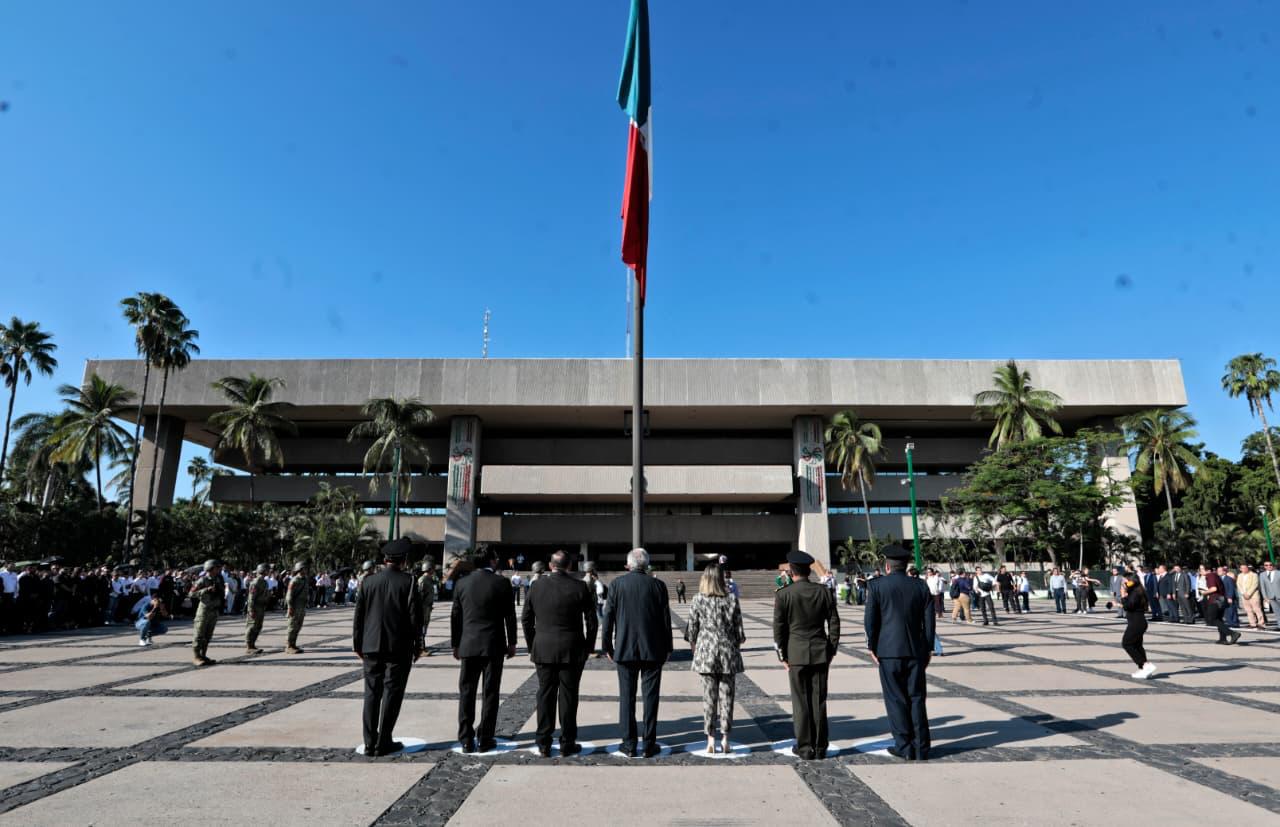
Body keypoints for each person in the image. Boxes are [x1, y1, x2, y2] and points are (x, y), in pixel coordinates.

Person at [522, 549, 596, 757]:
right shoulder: (580, 586)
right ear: (570, 566)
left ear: (550, 565)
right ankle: (567, 742)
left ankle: (543, 742)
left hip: (544, 646)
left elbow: (526, 619)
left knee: (545, 693)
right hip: (572, 647)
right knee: (569, 695)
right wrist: (589, 646)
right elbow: (592, 620)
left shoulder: (536, 586)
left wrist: (532, 644)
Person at [354, 537, 424, 757]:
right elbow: (416, 618)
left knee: (371, 694)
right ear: (403, 560)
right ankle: (384, 740)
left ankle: (369, 742)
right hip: (398, 647)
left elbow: (359, 616)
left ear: (385, 559)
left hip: (371, 646)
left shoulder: (368, 581)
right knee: (392, 693)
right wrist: (417, 645)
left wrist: (358, 644)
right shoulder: (409, 581)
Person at [602, 547, 673, 758]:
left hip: (624, 649)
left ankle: (629, 744)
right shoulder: (658, 585)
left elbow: (608, 619)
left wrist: (607, 646)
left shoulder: (616, 584)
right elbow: (665, 621)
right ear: (647, 565)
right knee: (651, 698)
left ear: (628, 565)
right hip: (652, 649)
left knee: (627, 697)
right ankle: (649, 744)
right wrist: (668, 647)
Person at [864, 545, 933, 760]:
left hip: (888, 650)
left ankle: (904, 746)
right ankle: (921, 747)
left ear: (887, 566)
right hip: (915, 650)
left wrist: (872, 647)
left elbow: (871, 622)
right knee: (917, 698)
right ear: (906, 566)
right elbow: (929, 622)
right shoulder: (920, 586)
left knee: (895, 699)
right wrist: (929, 647)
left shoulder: (876, 586)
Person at [773, 550, 840, 760]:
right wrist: (831, 648)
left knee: (800, 702)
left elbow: (779, 629)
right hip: (820, 651)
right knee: (818, 700)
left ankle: (804, 747)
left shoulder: (784, 594)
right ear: (808, 570)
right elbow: (834, 622)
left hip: (796, 653)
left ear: (792, 571)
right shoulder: (823, 591)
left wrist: (782, 655)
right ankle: (820, 747)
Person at [451, 548, 518, 753]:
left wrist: (456, 644)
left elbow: (456, 616)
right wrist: (512, 642)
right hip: (493, 644)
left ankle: (466, 738)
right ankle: (485, 738)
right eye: (496, 558)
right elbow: (510, 615)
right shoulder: (501, 583)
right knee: (490, 692)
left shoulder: (462, 583)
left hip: (469, 644)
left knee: (467, 692)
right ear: (491, 560)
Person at [685, 563, 745, 755]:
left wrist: (696, 647)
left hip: (706, 653)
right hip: (727, 653)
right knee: (727, 698)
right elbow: (740, 634)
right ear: (721, 579)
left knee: (708, 698)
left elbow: (691, 631)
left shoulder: (697, 600)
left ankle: (710, 739)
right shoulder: (732, 599)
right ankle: (725, 739)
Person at [1119, 570, 1157, 679]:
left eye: (1125, 581)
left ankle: (1146, 665)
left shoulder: (1136, 592)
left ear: (1131, 581)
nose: (1123, 584)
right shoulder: (1136, 591)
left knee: (1127, 643)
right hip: (1137, 622)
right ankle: (1143, 669)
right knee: (1137, 645)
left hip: (1137, 623)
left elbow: (1128, 606)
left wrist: (1123, 595)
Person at [189, 560, 225, 666]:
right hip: (204, 611)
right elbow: (191, 593)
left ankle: (203, 655)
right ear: (211, 568)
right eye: (217, 567)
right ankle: (196, 657)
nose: (219, 569)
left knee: (208, 635)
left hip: (214, 610)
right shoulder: (202, 580)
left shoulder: (218, 579)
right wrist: (205, 590)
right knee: (199, 634)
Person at [1198, 564, 1240, 645]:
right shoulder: (1215, 575)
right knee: (1219, 619)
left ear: (1207, 570)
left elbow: (1214, 588)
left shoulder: (1210, 576)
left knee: (1212, 619)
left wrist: (1204, 593)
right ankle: (1223, 638)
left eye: (1201, 569)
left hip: (1215, 600)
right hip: (1221, 600)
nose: (1200, 571)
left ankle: (1232, 633)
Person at [244, 563, 270, 654]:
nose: (269, 571)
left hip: (261, 607)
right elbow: (251, 598)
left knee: (258, 626)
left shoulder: (265, 582)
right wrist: (251, 610)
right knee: (251, 626)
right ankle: (249, 646)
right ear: (262, 570)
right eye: (267, 569)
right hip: (255, 607)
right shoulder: (255, 582)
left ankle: (253, 644)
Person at [285, 562, 309, 654]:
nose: (306, 570)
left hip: (301, 607)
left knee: (298, 626)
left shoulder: (305, 580)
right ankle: (289, 646)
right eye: (304, 568)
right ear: (300, 569)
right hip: (294, 607)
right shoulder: (294, 580)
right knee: (292, 627)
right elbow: (289, 596)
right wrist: (290, 607)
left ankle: (293, 644)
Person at [416, 560, 436, 655]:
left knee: (425, 626)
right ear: (429, 569)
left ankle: (422, 646)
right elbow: (419, 596)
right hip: (423, 608)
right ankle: (421, 649)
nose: (434, 570)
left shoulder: (429, 580)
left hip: (427, 607)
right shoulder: (422, 580)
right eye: (432, 569)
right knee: (422, 627)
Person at [1237, 563, 1265, 629]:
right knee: (1248, 610)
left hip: (1253, 595)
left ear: (1248, 568)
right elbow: (1238, 584)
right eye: (1242, 568)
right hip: (1244, 595)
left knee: (1257, 609)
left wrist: (1249, 594)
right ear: (1240, 569)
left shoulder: (1254, 575)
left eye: (1245, 568)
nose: (1244, 569)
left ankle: (1261, 624)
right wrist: (1243, 593)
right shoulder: (1240, 575)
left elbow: (1255, 585)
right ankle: (1252, 623)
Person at [1260, 560, 1280, 627]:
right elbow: (1262, 587)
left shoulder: (1278, 573)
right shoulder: (1262, 575)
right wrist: (1265, 597)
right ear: (1264, 566)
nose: (1269, 566)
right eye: (1266, 565)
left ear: (1273, 565)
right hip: (1271, 597)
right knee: (1277, 613)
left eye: (1270, 565)